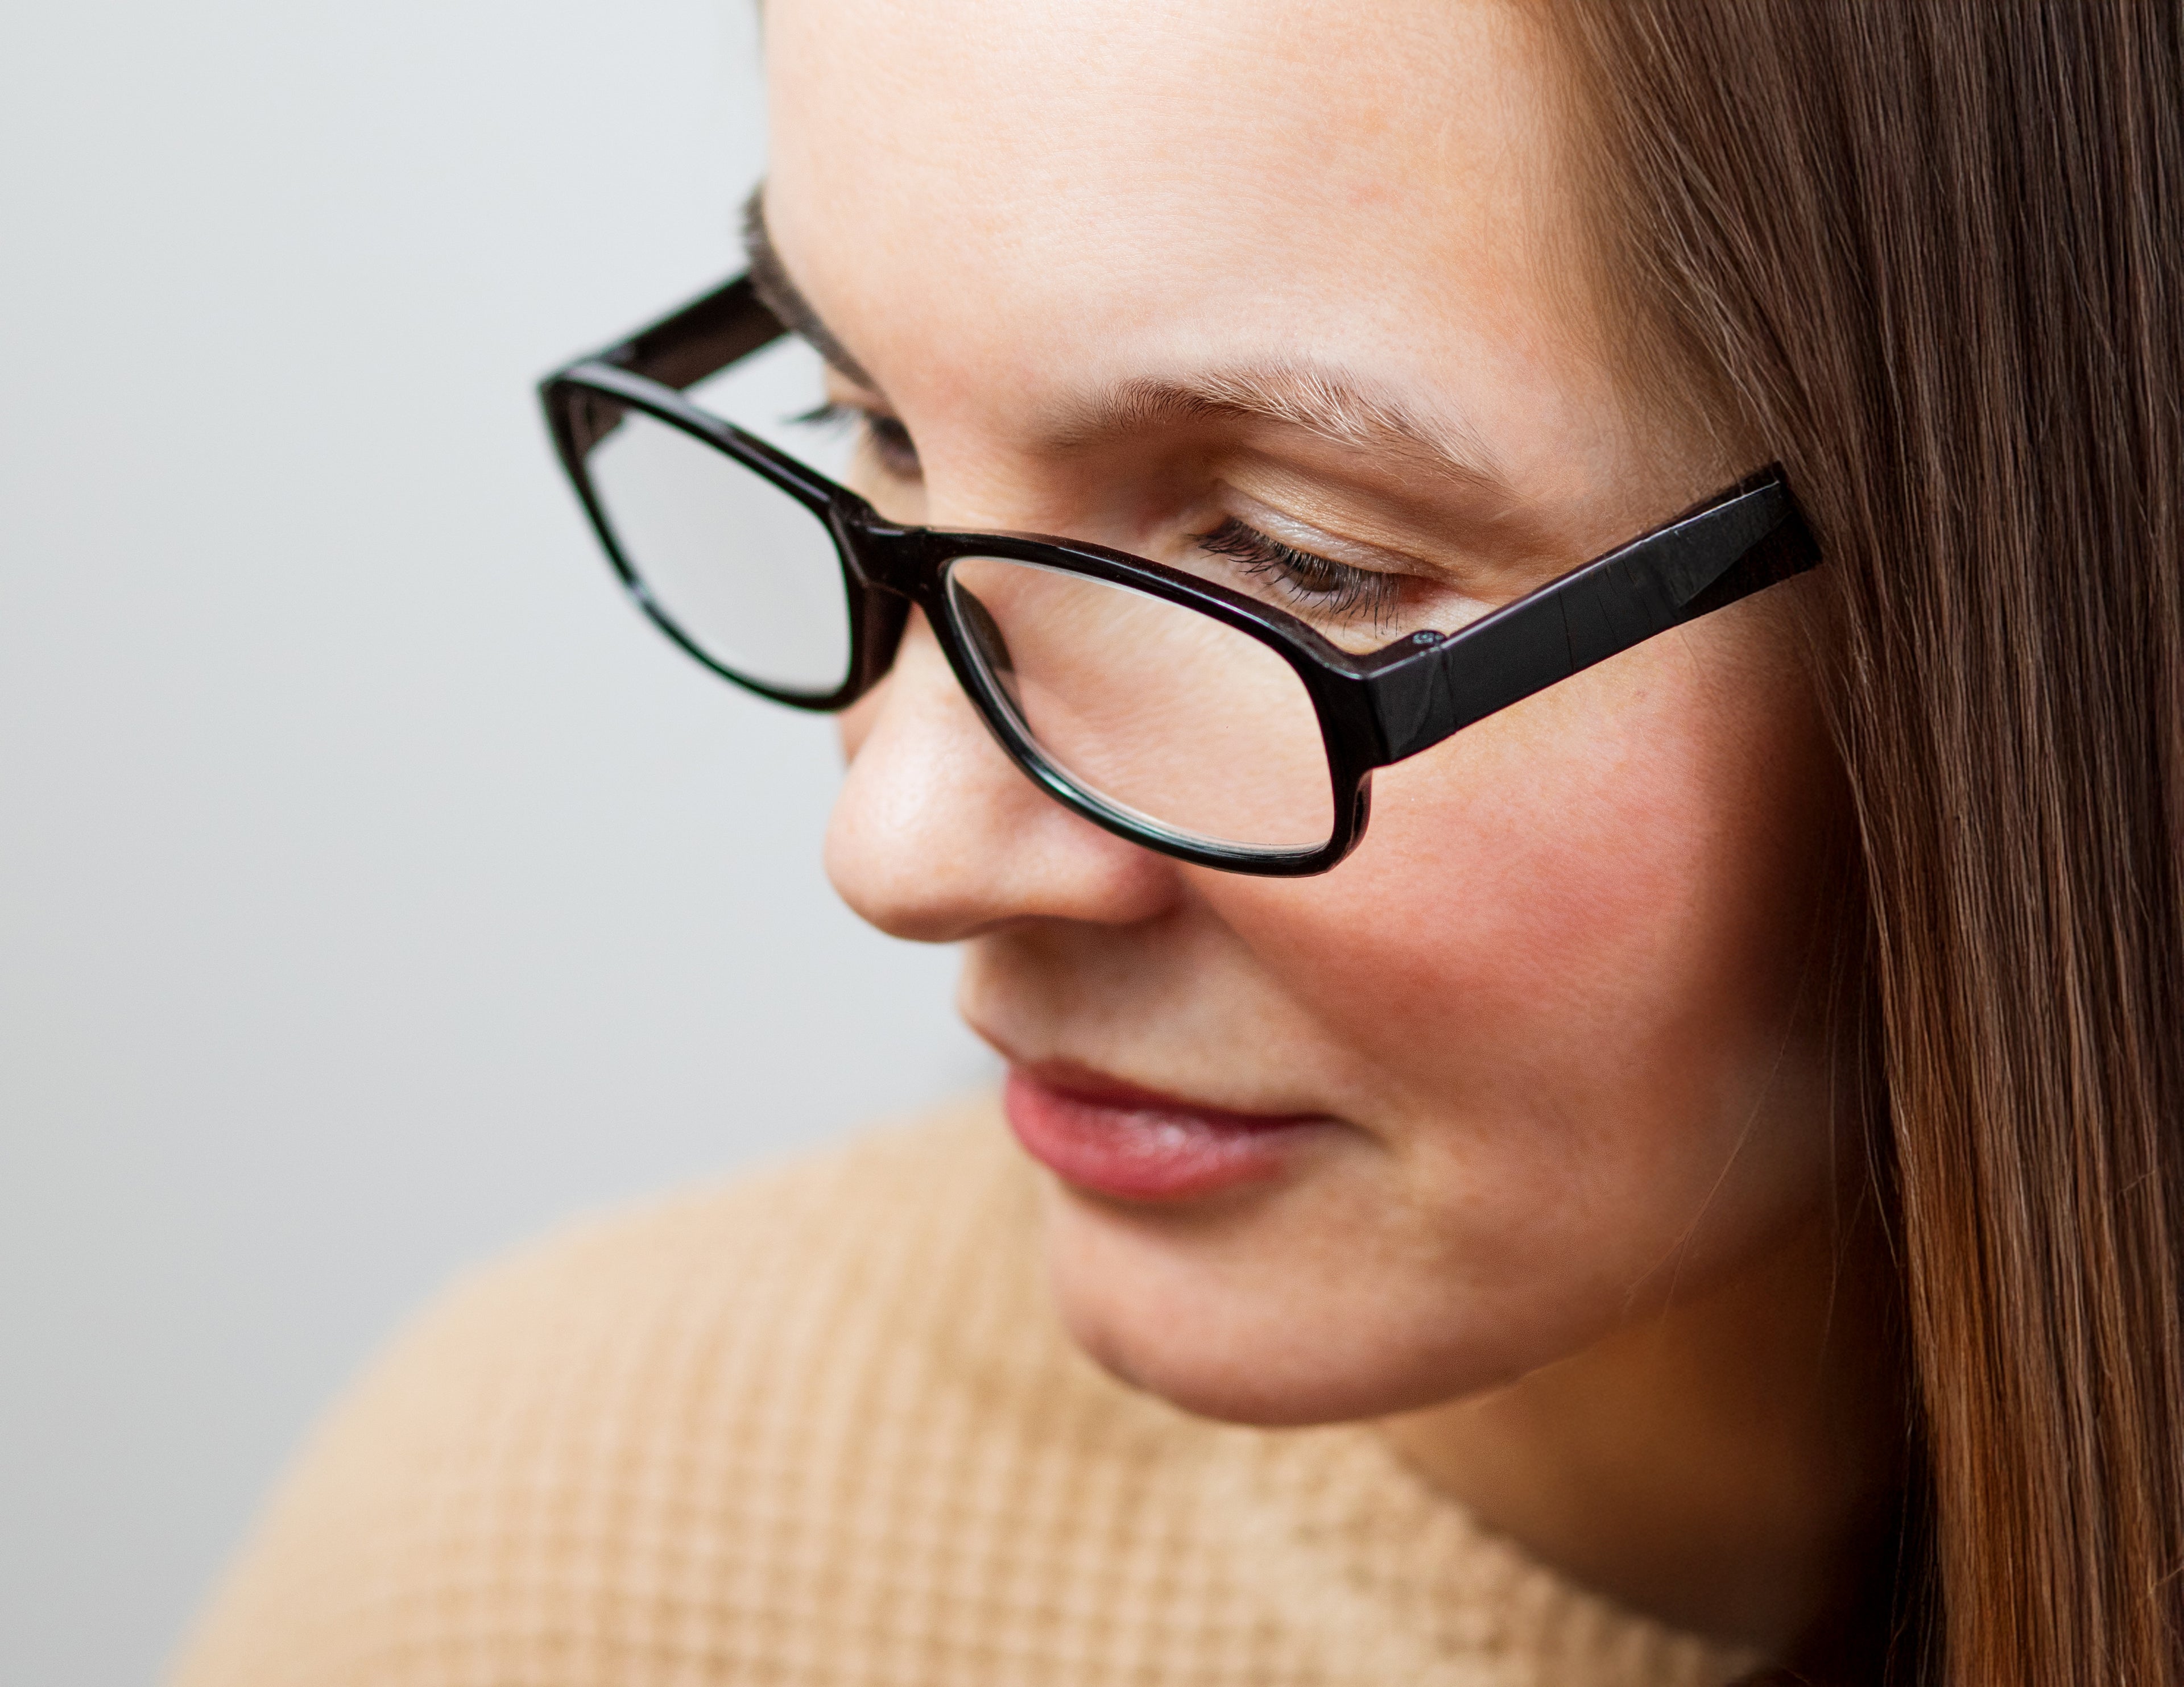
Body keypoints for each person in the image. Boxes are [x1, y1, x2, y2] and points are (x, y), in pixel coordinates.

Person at [170, 2, 2183, 1683]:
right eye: (870, 424)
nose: (899, 846)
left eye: (1294, 559)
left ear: (2073, 576)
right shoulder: (564, 1566)